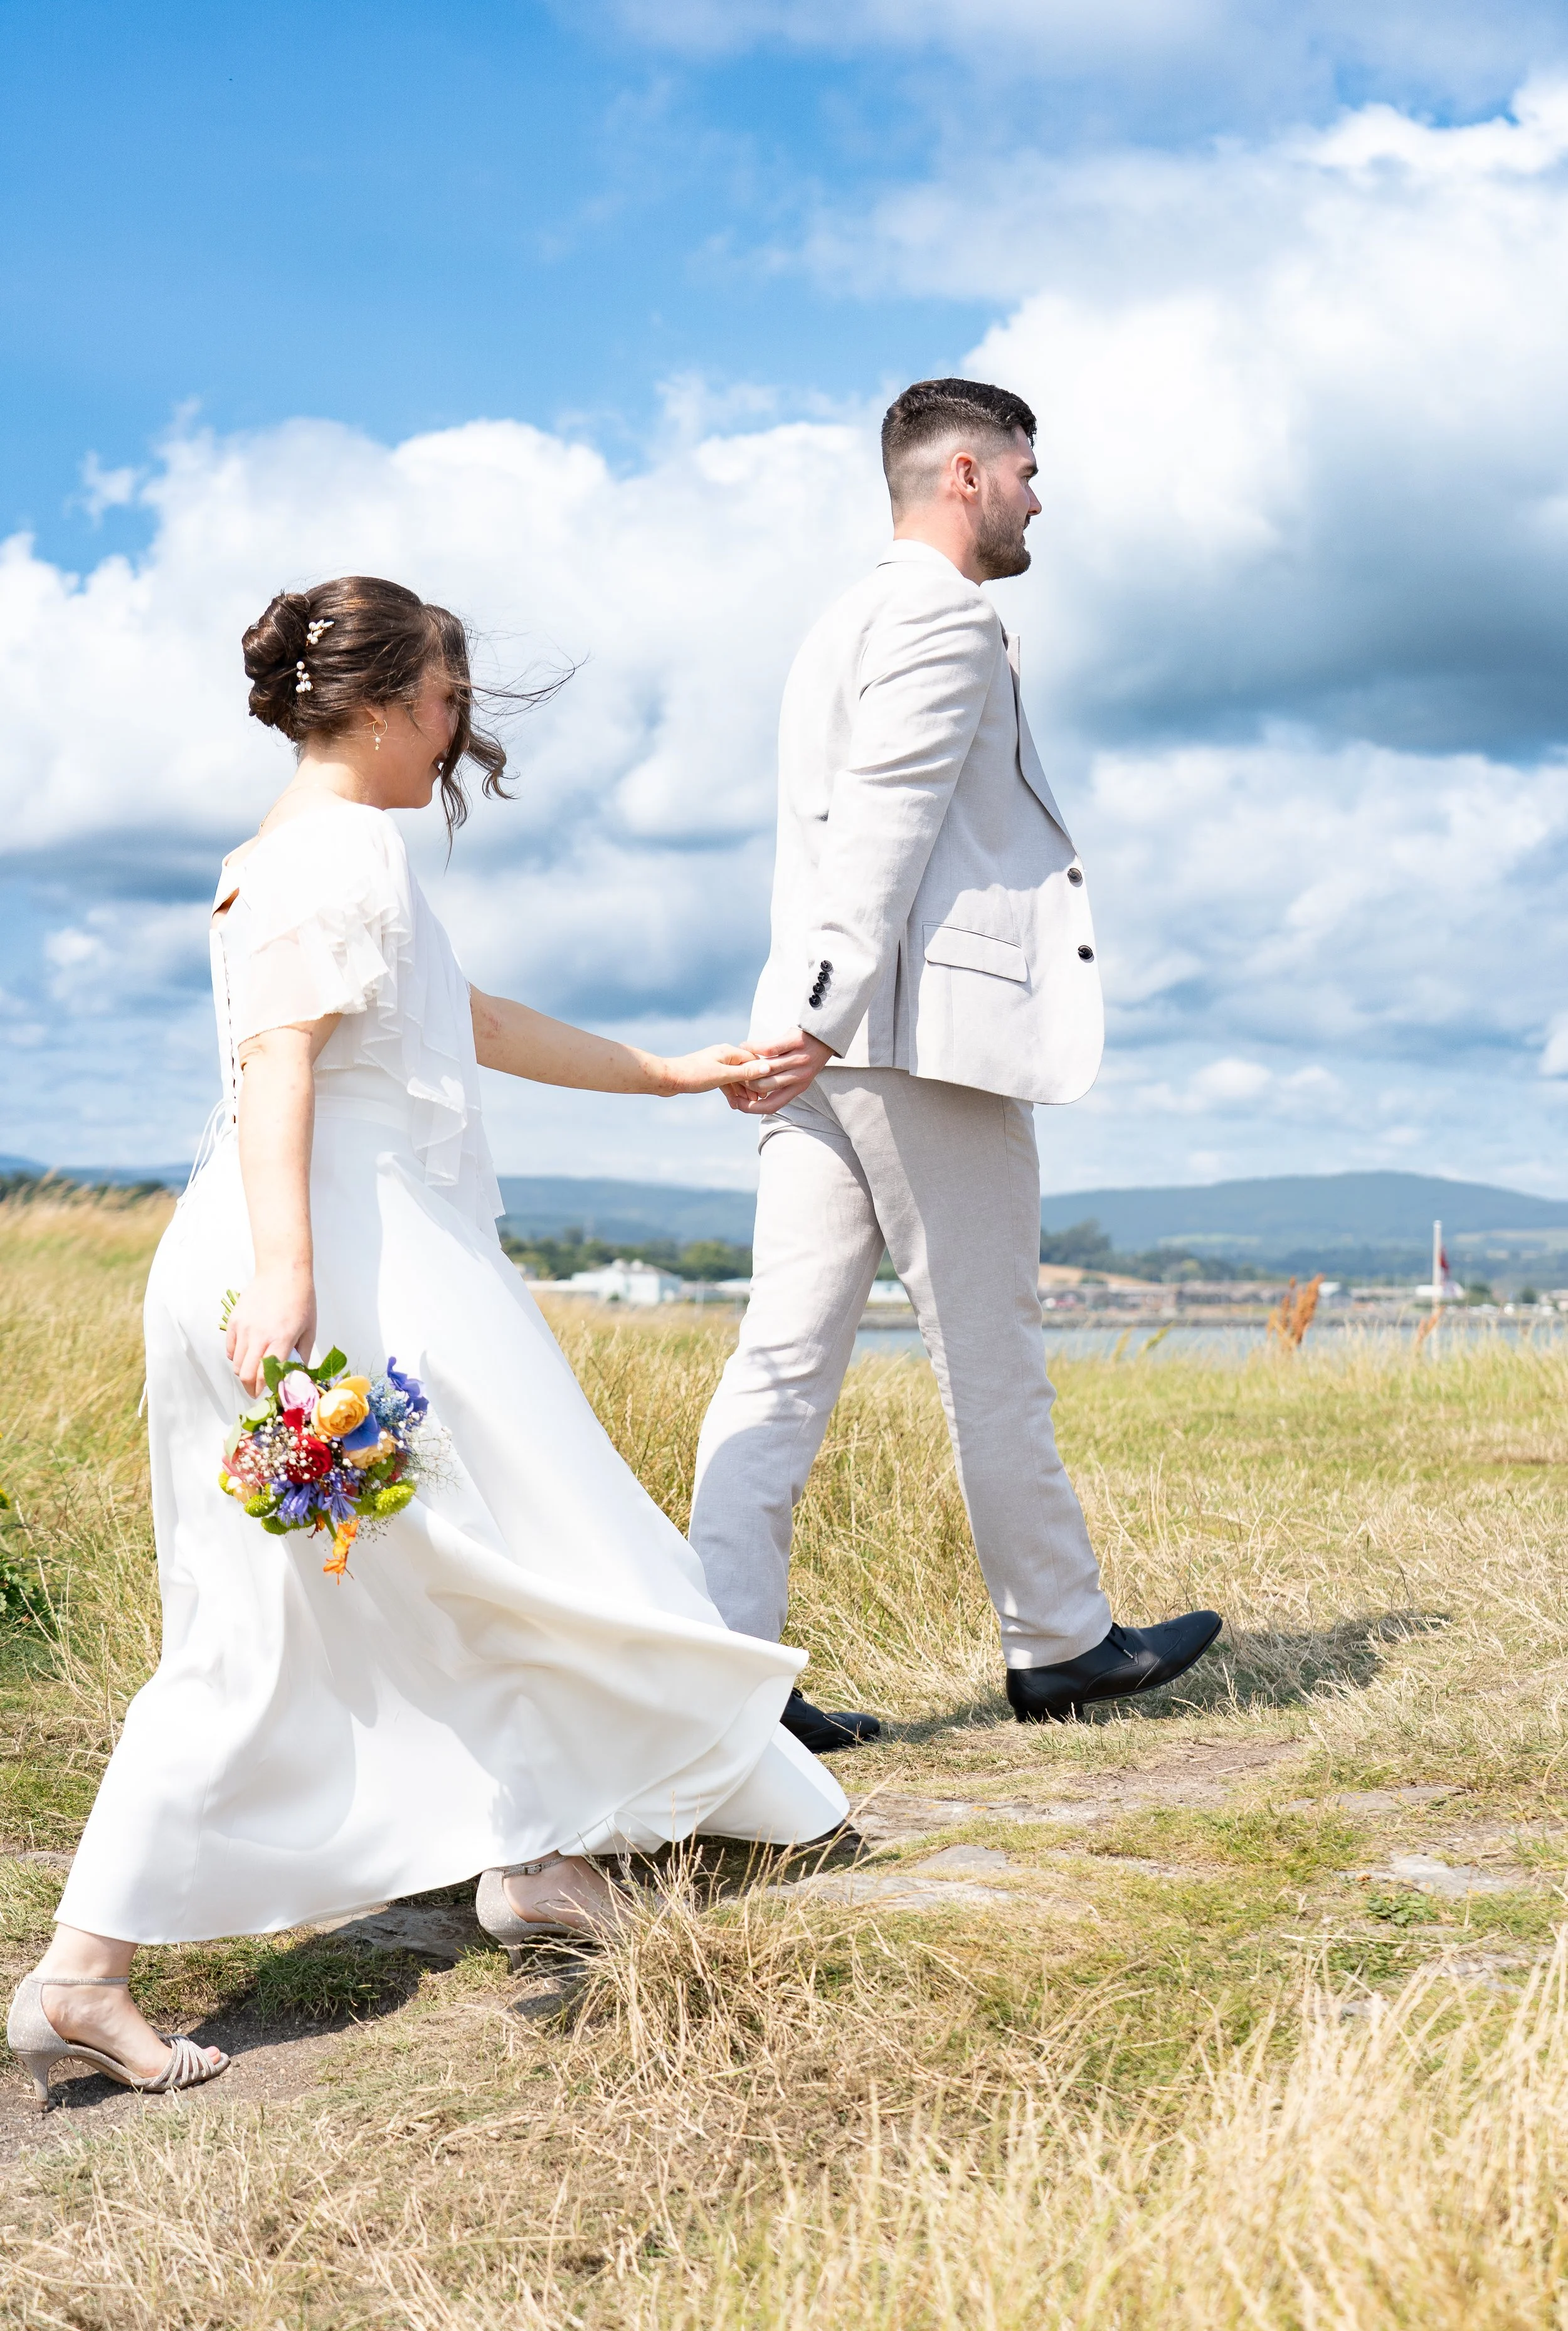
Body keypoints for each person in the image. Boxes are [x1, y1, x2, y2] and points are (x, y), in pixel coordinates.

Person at [8, 575, 845, 2111]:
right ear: (390, 699)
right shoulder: (330, 854)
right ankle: (88, 1970)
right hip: (335, 1265)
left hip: (339, 1251)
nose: (459, 735)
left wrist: (675, 1073)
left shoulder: (313, 856)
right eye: (450, 701)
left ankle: (534, 1853)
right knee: (357, 1594)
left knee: (465, 1556)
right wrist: (287, 1281)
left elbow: (476, 1023)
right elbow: (280, 1069)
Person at [693, 379, 1221, 1751]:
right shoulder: (941, 615)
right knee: (989, 1356)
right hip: (903, 1040)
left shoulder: (839, 621)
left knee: (776, 1366)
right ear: (966, 475)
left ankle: (721, 1681)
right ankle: (1058, 1644)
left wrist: (799, 1023)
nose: (1042, 498)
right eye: (1030, 473)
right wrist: (822, 1006)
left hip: (816, 1039)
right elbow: (880, 829)